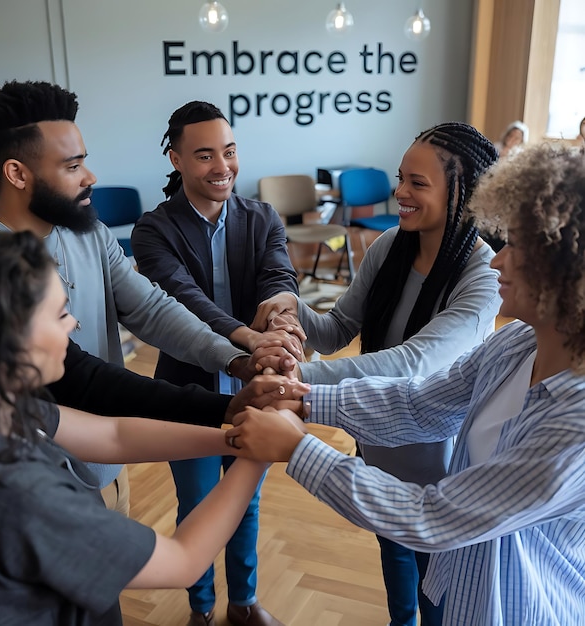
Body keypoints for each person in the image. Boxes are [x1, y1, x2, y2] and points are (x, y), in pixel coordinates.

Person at [228, 142, 585, 625]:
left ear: (569, 270)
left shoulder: (574, 424)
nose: (499, 262)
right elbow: (419, 402)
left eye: (517, 248)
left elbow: (433, 516)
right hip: (460, 582)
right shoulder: (516, 345)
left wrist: (298, 448)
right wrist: (302, 399)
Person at [0, 80, 297, 514]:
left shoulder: (90, 232)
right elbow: (85, 380)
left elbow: (152, 308)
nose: (91, 177)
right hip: (29, 488)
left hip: (105, 462)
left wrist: (237, 358)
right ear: (17, 173)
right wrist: (227, 404)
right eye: (72, 166)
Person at [252, 122, 501, 626]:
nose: (400, 192)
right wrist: (292, 307)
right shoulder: (391, 245)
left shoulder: (483, 275)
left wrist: (300, 382)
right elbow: (338, 327)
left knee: (437, 602)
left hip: (441, 474)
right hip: (377, 444)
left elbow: (413, 364)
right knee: (396, 576)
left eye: (418, 183)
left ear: (463, 194)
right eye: (400, 178)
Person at [0, 225, 272, 626]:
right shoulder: (20, 496)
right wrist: (258, 453)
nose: (72, 325)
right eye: (59, 314)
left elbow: (112, 434)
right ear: (6, 341)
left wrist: (233, 438)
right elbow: (181, 561)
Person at [131, 101, 303, 626]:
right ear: (176, 159)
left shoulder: (262, 217)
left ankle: (243, 601)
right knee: (197, 502)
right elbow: (182, 300)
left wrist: (279, 324)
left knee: (246, 498)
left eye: (228, 152)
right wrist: (250, 339)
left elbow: (278, 276)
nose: (221, 166)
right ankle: (201, 608)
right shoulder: (153, 230)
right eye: (204, 155)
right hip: (188, 389)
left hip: (259, 385)